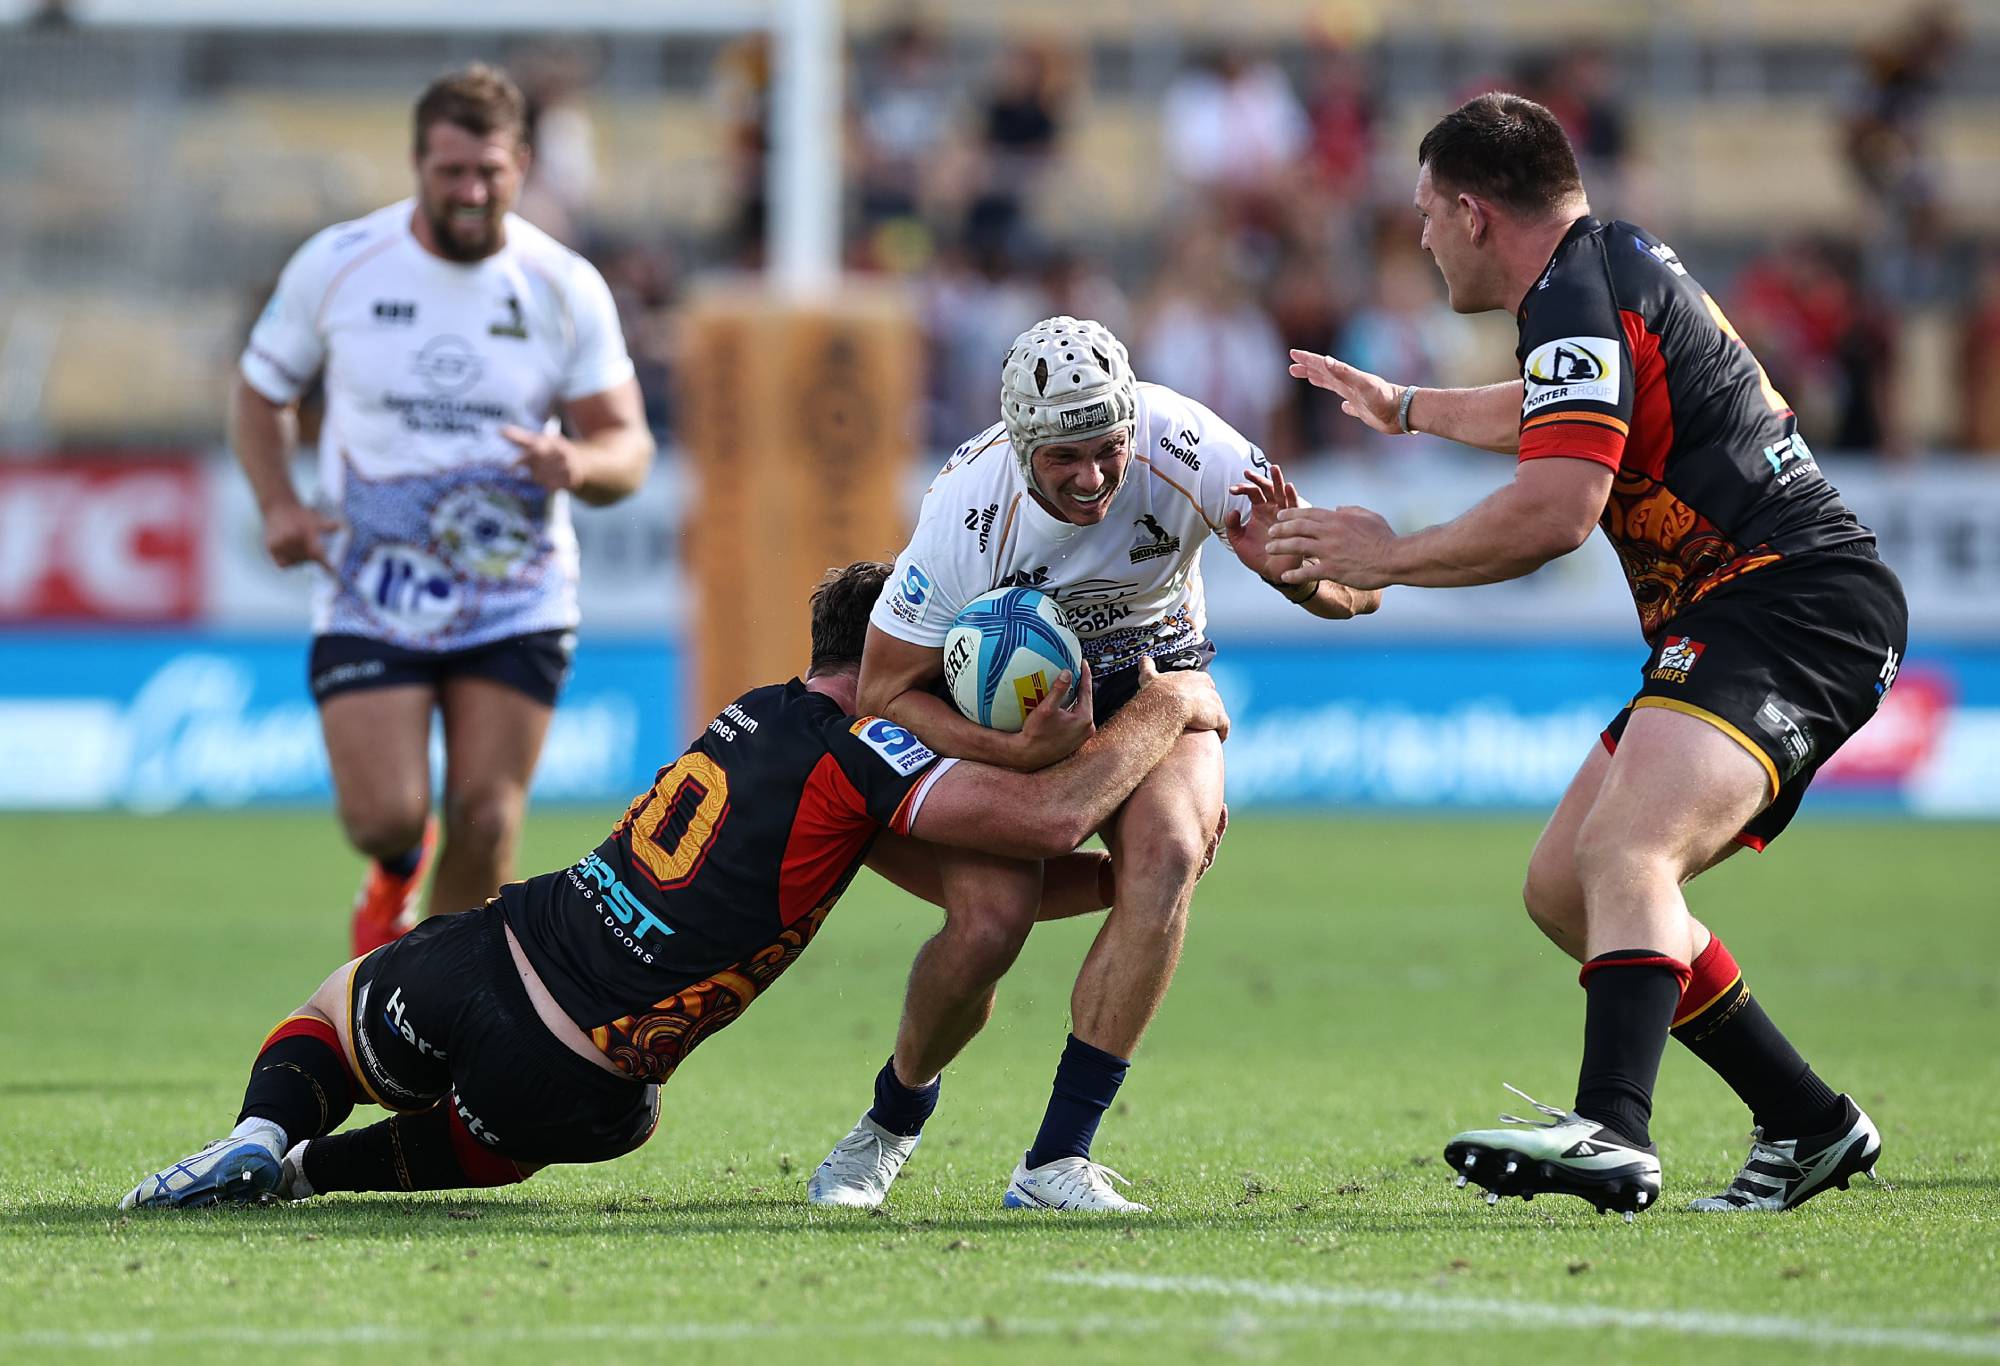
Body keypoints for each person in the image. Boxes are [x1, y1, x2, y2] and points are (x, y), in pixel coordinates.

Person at [120, 563, 1231, 1211]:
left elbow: (988, 882)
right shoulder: (867, 754)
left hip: (488, 953)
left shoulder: (752, 713)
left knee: (332, 1010)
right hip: (582, 1080)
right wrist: (1169, 702)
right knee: (594, 1122)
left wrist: (1122, 882)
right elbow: (1041, 819)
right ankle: (313, 1177)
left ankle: (266, 1131)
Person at [1273, 94, 1908, 1216]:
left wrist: (1387, 556)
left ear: (1473, 213)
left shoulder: (1574, 283)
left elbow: (1556, 510)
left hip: (1789, 603)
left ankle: (1612, 1127)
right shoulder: (1595, 272)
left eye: (1424, 212)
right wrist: (1407, 406)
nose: (1418, 237)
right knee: (1568, 885)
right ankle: (1806, 1121)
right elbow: (1556, 409)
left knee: (1626, 850)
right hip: (1750, 609)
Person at [807, 316, 1379, 1214]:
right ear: (1020, 445)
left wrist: (1302, 576)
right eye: (1064, 459)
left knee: (1171, 858)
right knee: (992, 922)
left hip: (1159, 678)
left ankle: (1055, 1163)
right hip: (1006, 712)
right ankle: (892, 1119)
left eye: (1109, 450)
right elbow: (883, 688)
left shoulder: (1193, 449)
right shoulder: (967, 508)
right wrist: (1011, 751)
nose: (1093, 478)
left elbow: (1359, 596)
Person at [232, 65, 655, 957]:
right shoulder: (341, 262)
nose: (470, 192)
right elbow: (260, 391)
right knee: (385, 815)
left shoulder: (562, 284)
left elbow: (629, 449)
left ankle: (429, 997)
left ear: (523, 164)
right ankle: (392, 869)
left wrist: (575, 462)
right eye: (451, 172)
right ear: (418, 164)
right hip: (370, 585)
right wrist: (279, 501)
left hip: (515, 594)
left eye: (489, 173)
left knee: (486, 816)